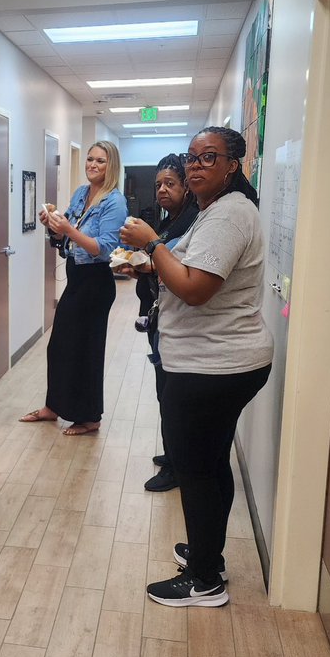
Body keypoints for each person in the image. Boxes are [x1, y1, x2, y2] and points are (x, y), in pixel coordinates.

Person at [120, 127, 273, 607]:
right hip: (210, 361)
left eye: (210, 157)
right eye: (193, 156)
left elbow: (194, 289)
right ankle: (208, 553)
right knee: (209, 464)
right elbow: (187, 265)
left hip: (214, 365)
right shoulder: (216, 211)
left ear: (232, 165)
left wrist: (150, 245)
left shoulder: (229, 215)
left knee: (198, 469)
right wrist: (148, 264)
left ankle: (205, 580)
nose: (197, 165)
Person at [19, 141, 127, 435]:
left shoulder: (114, 202)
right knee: (59, 347)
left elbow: (103, 249)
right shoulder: (82, 193)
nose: (92, 164)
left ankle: (89, 417)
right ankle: (53, 407)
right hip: (76, 277)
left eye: (100, 161)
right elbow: (65, 233)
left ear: (111, 165)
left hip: (95, 282)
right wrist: (51, 224)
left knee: (86, 350)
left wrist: (69, 230)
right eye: (90, 159)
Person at [135, 154, 198, 492]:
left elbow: (177, 265)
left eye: (170, 184)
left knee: (172, 396)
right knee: (164, 392)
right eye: (158, 184)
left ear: (186, 187)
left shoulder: (191, 221)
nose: (162, 190)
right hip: (160, 315)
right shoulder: (170, 219)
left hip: (177, 322)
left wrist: (146, 264)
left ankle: (176, 466)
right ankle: (172, 453)